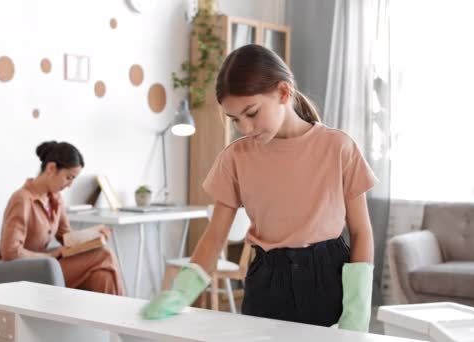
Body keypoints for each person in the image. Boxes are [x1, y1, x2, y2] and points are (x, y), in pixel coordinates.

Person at [142, 44, 376, 332]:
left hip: (328, 279)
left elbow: (361, 231)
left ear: (283, 93)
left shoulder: (338, 147)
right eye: (235, 119)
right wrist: (182, 291)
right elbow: (216, 235)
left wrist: (357, 308)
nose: (245, 127)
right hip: (267, 283)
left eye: (251, 113)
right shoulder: (235, 158)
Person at [0, 141, 124, 296]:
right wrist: (50, 255)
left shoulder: (55, 199)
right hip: (24, 272)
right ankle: (123, 316)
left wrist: (94, 235)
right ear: (51, 168)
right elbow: (10, 253)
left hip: (46, 266)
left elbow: (66, 238)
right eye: (68, 177)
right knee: (104, 255)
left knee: (102, 275)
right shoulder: (22, 199)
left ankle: (108, 319)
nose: (70, 185)